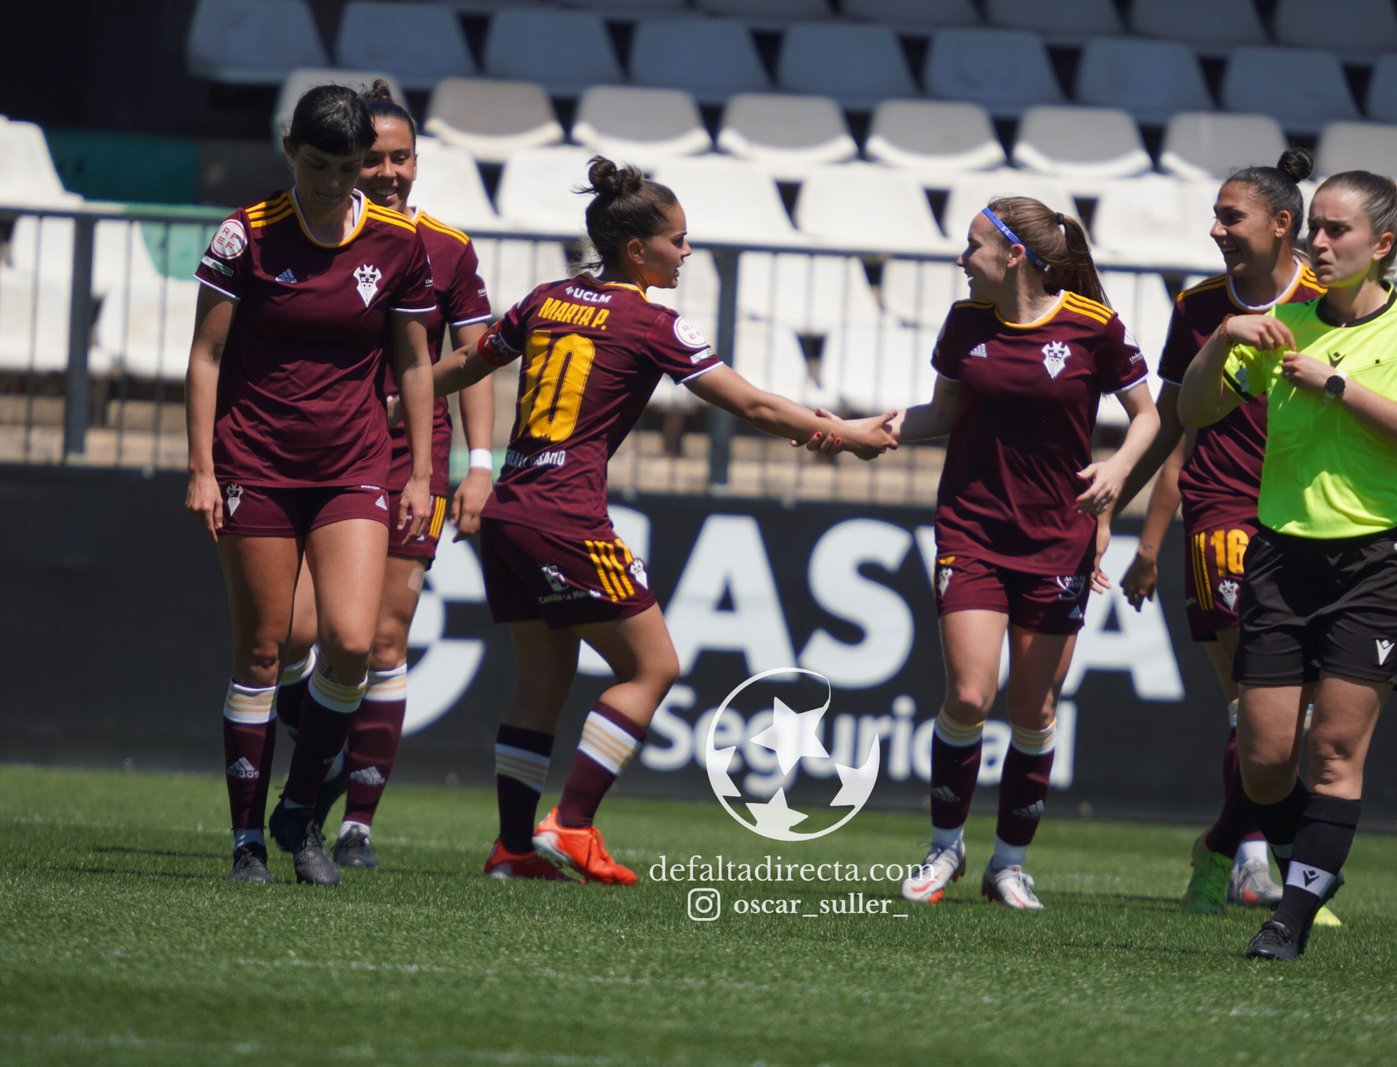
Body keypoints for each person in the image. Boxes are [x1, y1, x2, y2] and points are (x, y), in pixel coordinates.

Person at [428, 156, 897, 885]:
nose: (686, 252)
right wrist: (846, 435)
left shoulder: (545, 299)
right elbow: (754, 405)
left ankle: (513, 849)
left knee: (540, 684)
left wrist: (393, 399)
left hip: (509, 510)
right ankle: (573, 824)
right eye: (678, 241)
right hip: (566, 516)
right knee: (654, 666)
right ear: (635, 250)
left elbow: (468, 361)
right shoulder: (651, 322)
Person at [1119, 151, 1397, 919]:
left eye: (1230, 216)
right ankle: (1280, 864)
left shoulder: (1338, 307)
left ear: (1281, 224)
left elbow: (1381, 450)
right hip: (1234, 522)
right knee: (1259, 720)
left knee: (1283, 731)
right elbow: (1181, 426)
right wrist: (1133, 525)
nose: (1216, 228)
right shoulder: (1207, 307)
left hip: (1337, 529)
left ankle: (1233, 848)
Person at [823, 198, 1158, 909]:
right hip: (971, 530)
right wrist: (854, 431)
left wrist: (1119, 470)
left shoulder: (1093, 325)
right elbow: (940, 414)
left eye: (971, 245)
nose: (959, 258)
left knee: (1033, 710)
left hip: (1057, 538)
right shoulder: (965, 322)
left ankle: (1009, 862)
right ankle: (945, 846)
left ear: (1013, 256)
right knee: (970, 695)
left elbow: (1150, 418)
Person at [184, 84, 437, 886]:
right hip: (254, 462)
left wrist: (426, 472)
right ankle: (246, 841)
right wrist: (201, 467)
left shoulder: (398, 241)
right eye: (319, 164)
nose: (334, 182)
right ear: (292, 152)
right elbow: (206, 356)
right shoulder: (245, 235)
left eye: (348, 167)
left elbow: (414, 361)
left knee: (354, 642)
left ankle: (298, 809)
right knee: (264, 650)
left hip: (354, 466)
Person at [269, 82, 499, 871]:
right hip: (320, 451)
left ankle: (357, 820)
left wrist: (478, 466)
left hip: (410, 459)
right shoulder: (297, 231)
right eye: (374, 159)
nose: (389, 172)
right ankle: (323, 761)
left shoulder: (446, 248)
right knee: (300, 632)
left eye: (401, 157)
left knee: (386, 633)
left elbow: (481, 357)